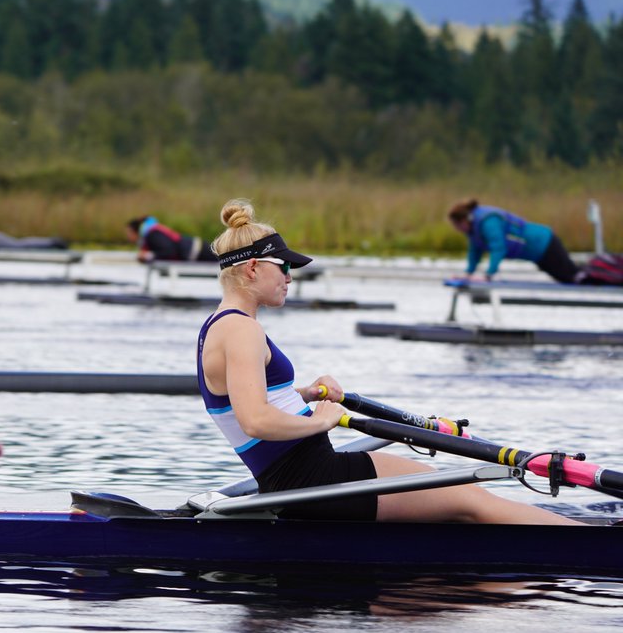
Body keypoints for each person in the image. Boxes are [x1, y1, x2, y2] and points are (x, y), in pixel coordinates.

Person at [198, 198, 579, 525]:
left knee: (458, 501)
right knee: (471, 499)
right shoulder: (242, 331)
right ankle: (588, 542)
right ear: (252, 268)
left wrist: (308, 393)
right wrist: (321, 421)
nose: (290, 277)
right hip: (312, 480)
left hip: (297, 477)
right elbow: (255, 419)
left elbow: (249, 398)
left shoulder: (217, 326)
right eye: (283, 266)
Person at [447, 199, 582, 284]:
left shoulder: (488, 222)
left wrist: (488, 275)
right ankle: (594, 272)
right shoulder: (472, 231)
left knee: (573, 277)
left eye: (457, 226)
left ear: (465, 219)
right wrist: (467, 274)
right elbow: (474, 252)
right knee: (567, 277)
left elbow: (498, 248)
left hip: (544, 243)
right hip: (537, 255)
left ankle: (599, 272)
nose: (457, 229)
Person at [127, 216, 216, 262]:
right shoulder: (151, 233)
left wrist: (147, 256)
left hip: (200, 251)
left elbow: (169, 251)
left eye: (129, 233)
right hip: (197, 251)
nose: (128, 236)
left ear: (136, 231)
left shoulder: (152, 235)